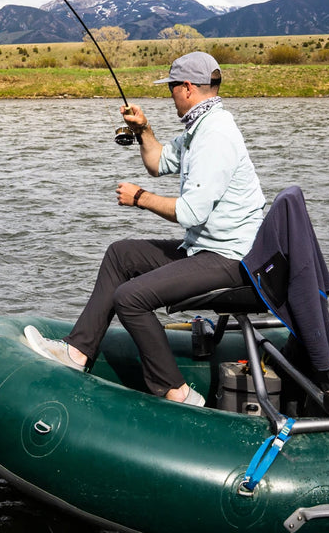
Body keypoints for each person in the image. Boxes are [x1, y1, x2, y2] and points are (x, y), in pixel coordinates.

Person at [25, 51, 265, 406]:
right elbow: (158, 162)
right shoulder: (200, 127)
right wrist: (144, 131)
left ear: (187, 87)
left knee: (130, 298)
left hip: (231, 259)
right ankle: (77, 353)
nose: (170, 95)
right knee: (122, 254)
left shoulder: (215, 136)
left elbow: (190, 213)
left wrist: (140, 198)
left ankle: (177, 392)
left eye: (171, 87)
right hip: (206, 247)